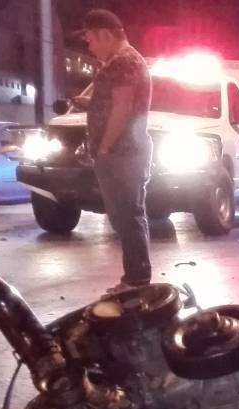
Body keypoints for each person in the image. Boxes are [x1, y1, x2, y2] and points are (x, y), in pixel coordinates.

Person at [73, 9, 152, 292]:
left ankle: (136, 280)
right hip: (123, 152)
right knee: (125, 217)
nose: (89, 46)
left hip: (122, 153)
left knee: (127, 216)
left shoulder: (124, 62)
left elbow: (122, 106)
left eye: (90, 39)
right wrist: (91, 105)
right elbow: (114, 103)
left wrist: (104, 147)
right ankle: (135, 278)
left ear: (104, 34)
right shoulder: (122, 62)